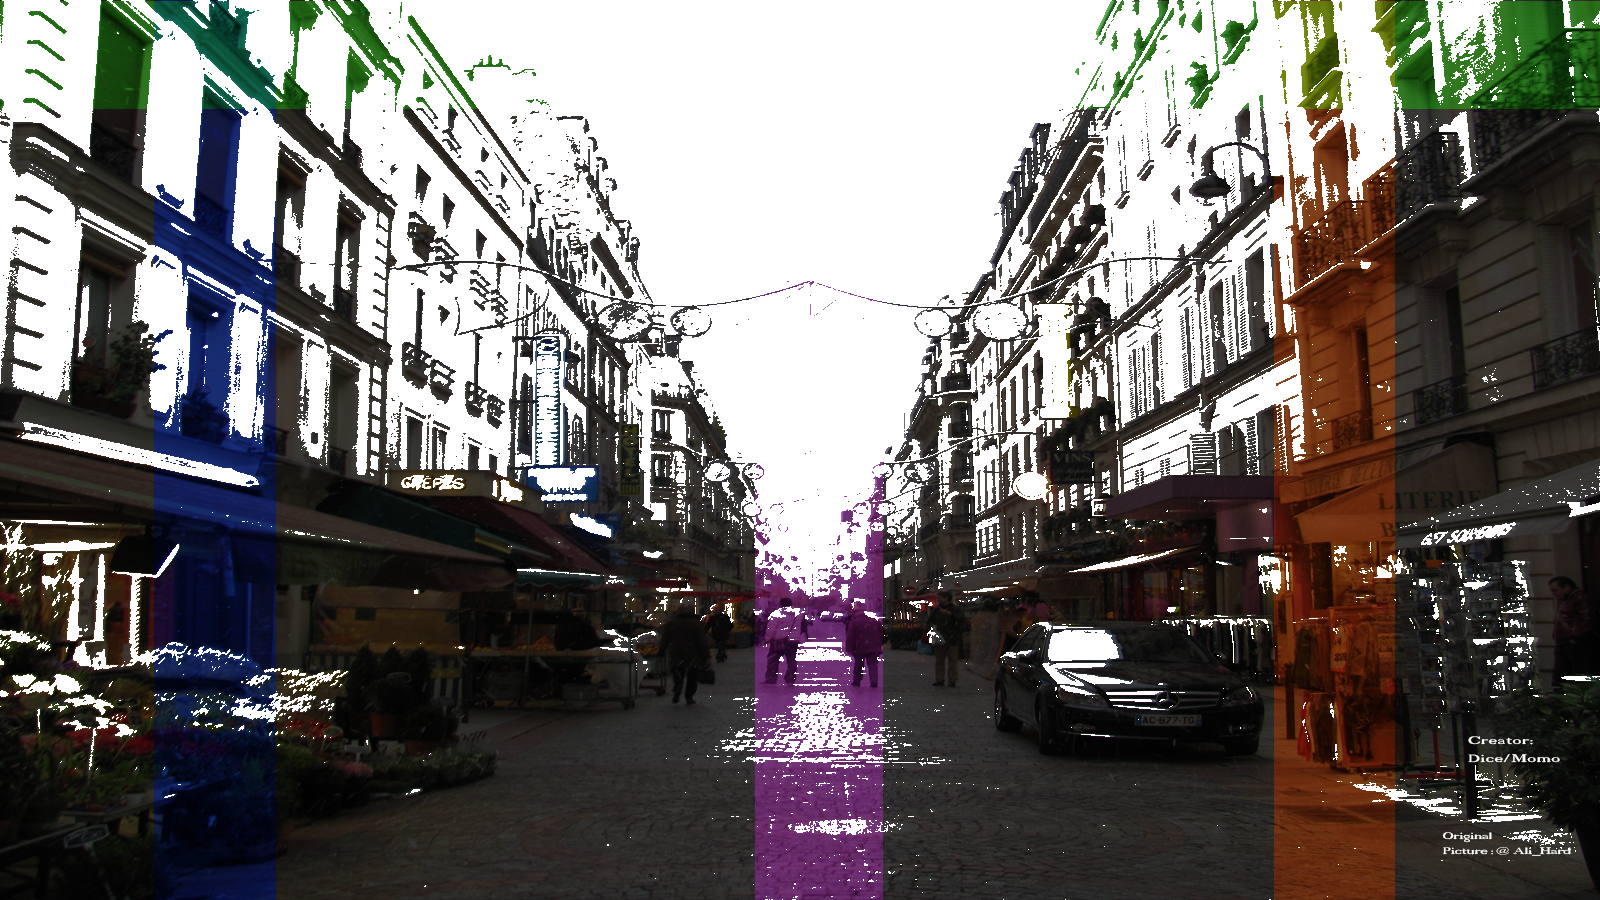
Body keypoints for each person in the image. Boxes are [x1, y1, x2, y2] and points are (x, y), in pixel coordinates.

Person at [660, 604, 712, 704]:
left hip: (676, 652)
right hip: (693, 654)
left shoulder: (671, 623)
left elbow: (664, 639)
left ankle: (677, 689)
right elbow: (702, 641)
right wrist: (706, 656)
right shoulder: (696, 623)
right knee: (692, 676)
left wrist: (661, 652)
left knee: (678, 673)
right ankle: (689, 697)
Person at [1552, 576, 1599, 679]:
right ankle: (1559, 692)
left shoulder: (1580, 599)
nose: (1553, 594)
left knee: (1579, 671)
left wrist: (1575, 638)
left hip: (1574, 642)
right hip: (1564, 641)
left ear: (1567, 587)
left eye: (1555, 590)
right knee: (1560, 672)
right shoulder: (1564, 600)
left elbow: (1588, 620)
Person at [763, 597, 809, 685]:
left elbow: (771, 628)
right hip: (794, 641)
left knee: (773, 660)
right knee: (792, 660)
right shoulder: (799, 614)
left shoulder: (776, 614)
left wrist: (767, 639)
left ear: (780, 604)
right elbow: (803, 626)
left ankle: (771, 678)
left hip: (778, 641)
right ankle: (790, 679)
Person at [924, 591, 965, 687]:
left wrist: (951, 615)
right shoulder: (935, 610)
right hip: (939, 638)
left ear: (947, 598)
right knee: (939, 660)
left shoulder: (956, 609)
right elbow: (929, 622)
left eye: (940, 597)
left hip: (953, 638)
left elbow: (961, 620)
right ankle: (939, 679)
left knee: (953, 660)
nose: (938, 599)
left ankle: (952, 679)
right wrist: (932, 625)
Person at [844, 601, 885, 687]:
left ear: (857, 613)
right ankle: (874, 682)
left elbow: (850, 636)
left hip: (859, 647)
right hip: (873, 648)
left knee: (858, 665)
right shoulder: (875, 621)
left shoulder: (854, 623)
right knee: (873, 665)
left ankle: (857, 680)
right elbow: (882, 634)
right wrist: (879, 644)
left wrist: (849, 648)